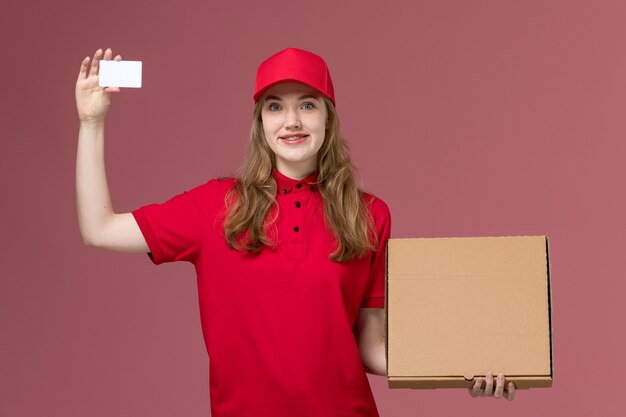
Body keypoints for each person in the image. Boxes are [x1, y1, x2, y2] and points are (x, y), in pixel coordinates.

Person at [75, 47, 515, 417]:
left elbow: (370, 346)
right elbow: (99, 228)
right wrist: (92, 125)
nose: (292, 121)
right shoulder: (214, 205)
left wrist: (460, 366)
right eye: (275, 106)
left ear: (328, 118)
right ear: (260, 122)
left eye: (307, 104)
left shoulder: (369, 215)